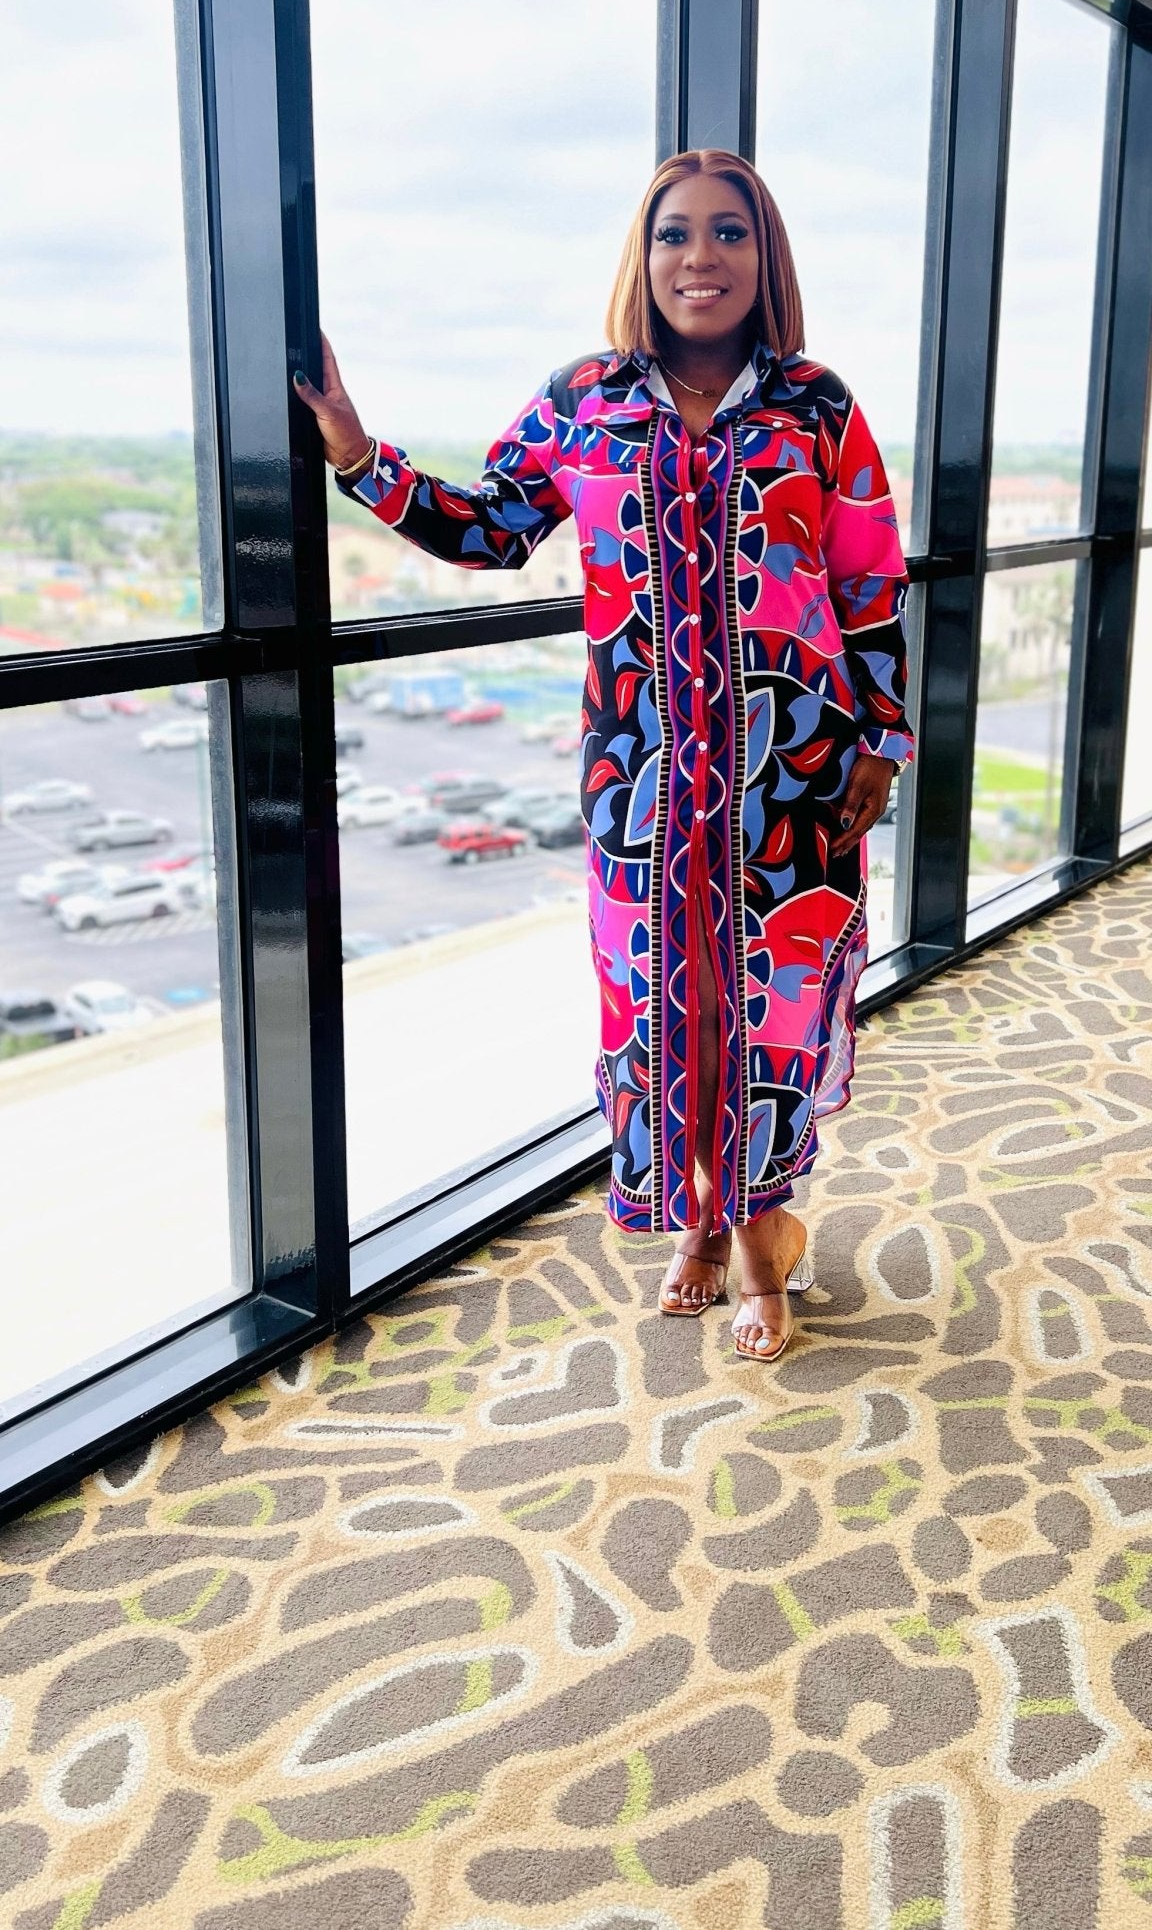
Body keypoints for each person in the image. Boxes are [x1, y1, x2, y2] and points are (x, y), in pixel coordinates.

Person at [293, 147, 913, 1364]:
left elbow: (869, 579)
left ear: (765, 257)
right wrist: (360, 454)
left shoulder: (818, 405)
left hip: (793, 779)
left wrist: (882, 742)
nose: (701, 256)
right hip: (643, 783)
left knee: (771, 1006)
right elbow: (491, 528)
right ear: (644, 255)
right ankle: (699, 1218)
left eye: (730, 232)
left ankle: (756, 1238)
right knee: (665, 1009)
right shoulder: (585, 397)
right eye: (676, 233)